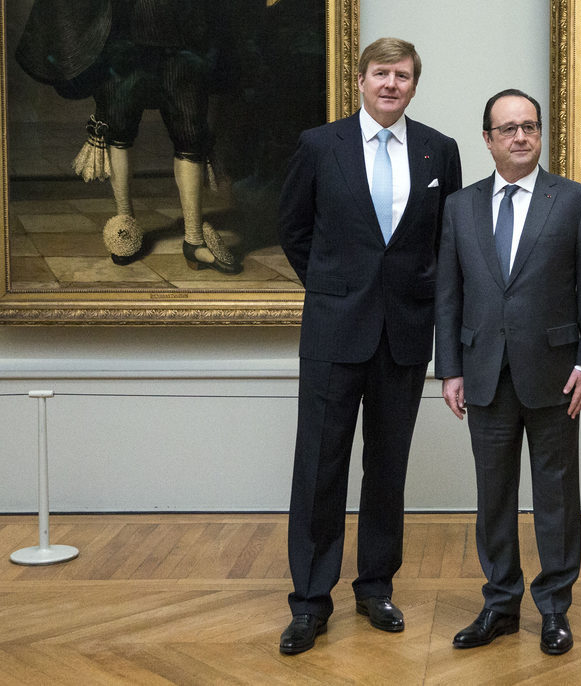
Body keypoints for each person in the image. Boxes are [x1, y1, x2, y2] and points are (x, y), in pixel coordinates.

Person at [277, 37, 462, 655]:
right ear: (360, 80)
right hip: (334, 333)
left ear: (414, 84)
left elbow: (443, 244)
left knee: (387, 469)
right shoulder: (318, 145)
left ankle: (375, 586)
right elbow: (293, 230)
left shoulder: (441, 150)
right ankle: (309, 601)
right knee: (319, 467)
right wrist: (335, 288)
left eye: (402, 75)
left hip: (404, 336)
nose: (391, 84)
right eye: (381, 73)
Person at [435, 89, 581, 656]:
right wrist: (450, 369)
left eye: (529, 126)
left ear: (540, 134)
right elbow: (449, 293)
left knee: (556, 493)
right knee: (494, 494)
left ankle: (555, 608)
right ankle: (500, 604)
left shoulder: (574, 200)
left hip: (557, 373)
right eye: (507, 128)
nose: (520, 137)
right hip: (483, 371)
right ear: (487, 139)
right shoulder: (460, 206)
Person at [15, 0, 242, 272]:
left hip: (184, 40)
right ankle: (125, 225)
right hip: (124, 41)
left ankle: (194, 240)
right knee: (119, 129)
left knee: (190, 134)